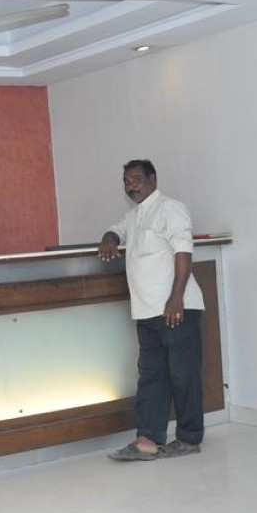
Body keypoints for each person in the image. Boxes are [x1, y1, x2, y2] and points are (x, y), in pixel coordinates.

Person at [99, 159, 205, 461]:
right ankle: (148, 440)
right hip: (146, 312)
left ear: (152, 179)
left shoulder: (171, 208)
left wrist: (176, 298)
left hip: (176, 308)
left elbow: (183, 252)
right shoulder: (133, 215)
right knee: (151, 377)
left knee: (184, 376)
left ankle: (189, 438)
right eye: (126, 181)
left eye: (136, 179)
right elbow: (115, 231)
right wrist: (109, 240)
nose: (131, 186)